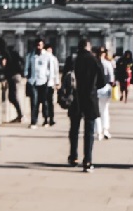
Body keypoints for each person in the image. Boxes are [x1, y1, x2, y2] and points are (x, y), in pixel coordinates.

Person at [66, 40, 105, 172]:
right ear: (88, 47)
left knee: (74, 129)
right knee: (89, 130)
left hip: (75, 98)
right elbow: (102, 81)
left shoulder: (72, 59)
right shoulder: (94, 60)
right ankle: (87, 160)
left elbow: (65, 78)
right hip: (89, 97)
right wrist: (93, 88)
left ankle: (73, 156)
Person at [24, 38, 57, 128]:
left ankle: (46, 120)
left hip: (44, 81)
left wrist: (50, 80)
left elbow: (51, 69)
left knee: (45, 102)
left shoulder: (48, 56)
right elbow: (27, 68)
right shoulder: (30, 56)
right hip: (34, 81)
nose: (39, 47)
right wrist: (27, 75)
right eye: (37, 45)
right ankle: (34, 121)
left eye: (40, 45)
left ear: (43, 46)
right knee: (34, 102)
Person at [0, 36, 24, 123]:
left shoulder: (3, 53)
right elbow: (22, 60)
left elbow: (3, 64)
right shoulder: (12, 52)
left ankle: (20, 115)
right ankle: (20, 115)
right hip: (17, 75)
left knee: (12, 97)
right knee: (13, 96)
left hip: (12, 76)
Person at [94, 46, 114, 140]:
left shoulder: (94, 63)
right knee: (105, 110)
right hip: (105, 88)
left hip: (95, 90)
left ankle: (98, 132)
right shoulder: (107, 63)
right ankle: (105, 130)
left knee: (96, 112)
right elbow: (112, 78)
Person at [44, 43, 61, 127]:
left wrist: (57, 82)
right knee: (46, 102)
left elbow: (56, 71)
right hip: (44, 82)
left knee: (49, 102)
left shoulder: (53, 59)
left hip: (50, 83)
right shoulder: (44, 58)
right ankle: (47, 118)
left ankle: (50, 118)